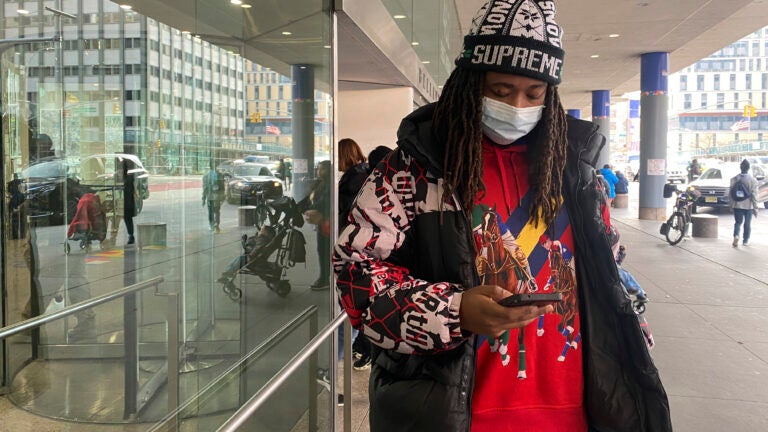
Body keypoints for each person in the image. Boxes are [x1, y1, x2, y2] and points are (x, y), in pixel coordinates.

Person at [332, 1, 671, 431]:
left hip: (578, 410)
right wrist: (453, 312)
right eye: (500, 90)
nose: (518, 105)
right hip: (453, 413)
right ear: (470, 84)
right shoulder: (413, 170)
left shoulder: (575, 170)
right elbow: (356, 273)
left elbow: (609, 266)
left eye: (534, 93)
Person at [300, 160, 331, 290]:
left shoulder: (330, 184)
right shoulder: (319, 183)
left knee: (325, 250)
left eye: (321, 169)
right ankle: (324, 277)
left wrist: (310, 208)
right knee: (322, 250)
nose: (319, 171)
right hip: (321, 222)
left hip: (328, 222)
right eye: (318, 169)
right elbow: (309, 198)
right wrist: (300, 207)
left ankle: (324, 278)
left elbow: (325, 201)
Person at [729, 159, 759, 247]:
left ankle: (736, 235)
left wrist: (731, 205)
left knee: (738, 222)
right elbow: (754, 195)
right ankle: (745, 240)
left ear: (740, 167)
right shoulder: (752, 180)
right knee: (747, 223)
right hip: (748, 205)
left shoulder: (734, 179)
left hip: (737, 205)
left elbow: (730, 193)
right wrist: (756, 207)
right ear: (748, 168)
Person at [202, 163, 225, 233]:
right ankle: (217, 225)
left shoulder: (206, 176)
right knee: (217, 211)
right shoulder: (220, 175)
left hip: (210, 196)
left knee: (210, 212)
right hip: (217, 196)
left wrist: (203, 198)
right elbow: (222, 187)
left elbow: (205, 188)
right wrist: (223, 197)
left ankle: (211, 225)